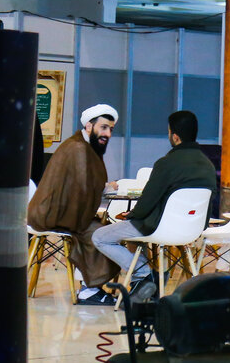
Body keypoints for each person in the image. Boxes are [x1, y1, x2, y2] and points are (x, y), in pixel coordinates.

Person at [92, 110, 216, 301]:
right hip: (192, 229)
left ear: (175, 136)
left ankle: (143, 275)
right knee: (132, 237)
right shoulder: (207, 165)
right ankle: (147, 279)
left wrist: (131, 215)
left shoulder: (167, 163)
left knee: (100, 237)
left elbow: (148, 201)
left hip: (158, 227)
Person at [27, 103, 121, 306]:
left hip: (60, 210)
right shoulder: (79, 148)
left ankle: (92, 286)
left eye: (110, 129)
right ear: (89, 126)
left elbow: (83, 186)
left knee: (102, 229)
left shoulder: (83, 145)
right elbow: (81, 190)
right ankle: (89, 290)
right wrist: (104, 189)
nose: (108, 134)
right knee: (99, 233)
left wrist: (102, 188)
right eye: (103, 127)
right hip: (52, 213)